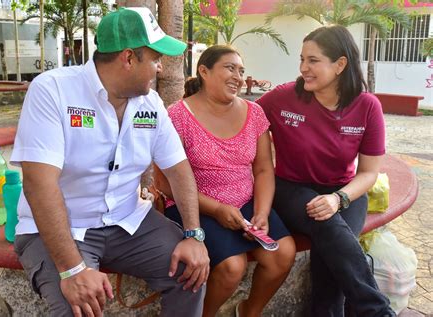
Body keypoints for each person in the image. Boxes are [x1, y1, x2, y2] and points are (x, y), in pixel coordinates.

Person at [10, 7, 209, 317]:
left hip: (128, 221)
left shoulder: (151, 104)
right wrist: (72, 269)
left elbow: (178, 169)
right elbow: (39, 184)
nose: (159, 68)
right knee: (77, 306)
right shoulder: (53, 90)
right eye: (154, 59)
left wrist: (193, 234)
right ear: (128, 58)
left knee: (191, 271)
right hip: (62, 227)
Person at [256, 25, 396, 316]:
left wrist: (339, 199)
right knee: (330, 227)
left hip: (346, 191)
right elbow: (243, 117)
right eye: (302, 59)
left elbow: (369, 173)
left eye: (313, 61)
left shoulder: (367, 106)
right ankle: (377, 311)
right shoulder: (283, 98)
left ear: (340, 64)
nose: (303, 68)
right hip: (291, 187)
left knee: (332, 252)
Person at [154, 45, 296, 317]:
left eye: (241, 71)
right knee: (232, 266)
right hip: (194, 205)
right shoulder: (178, 116)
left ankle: (248, 311)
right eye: (230, 68)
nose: (238, 77)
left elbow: (264, 169)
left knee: (283, 253)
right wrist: (217, 209)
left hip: (245, 203)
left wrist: (262, 212)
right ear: (204, 71)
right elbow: (164, 183)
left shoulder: (255, 113)